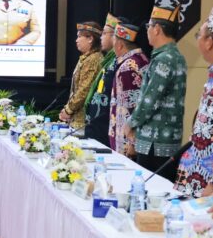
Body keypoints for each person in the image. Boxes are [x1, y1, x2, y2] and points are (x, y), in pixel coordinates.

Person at [124, 6, 186, 181]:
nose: (148, 31)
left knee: (149, 190)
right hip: (164, 141)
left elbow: (150, 100)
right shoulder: (175, 56)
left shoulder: (164, 59)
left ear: (157, 29)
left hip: (154, 142)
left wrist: (131, 122)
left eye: (149, 26)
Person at [176, 8, 213, 198]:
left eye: (199, 35)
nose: (197, 39)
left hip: (209, 184)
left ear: (209, 42)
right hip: (195, 176)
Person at [109, 23, 149, 154]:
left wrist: (132, 142)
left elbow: (132, 106)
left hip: (126, 140)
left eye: (113, 40)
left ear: (119, 45)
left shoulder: (128, 67)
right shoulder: (141, 59)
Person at [59, 22, 104, 130]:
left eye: (79, 37)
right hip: (78, 117)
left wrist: (68, 110)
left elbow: (84, 89)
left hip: (83, 120)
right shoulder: (87, 57)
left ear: (90, 39)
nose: (76, 40)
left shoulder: (93, 59)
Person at [84, 13, 120, 146]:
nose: (101, 38)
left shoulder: (117, 62)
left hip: (105, 126)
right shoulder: (108, 61)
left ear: (115, 36)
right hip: (96, 123)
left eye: (104, 33)